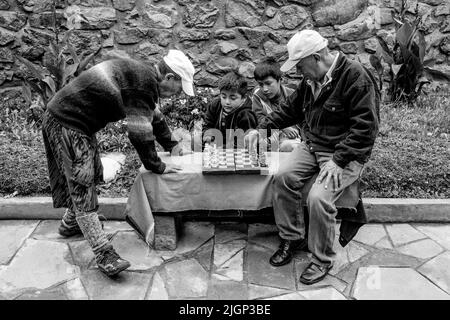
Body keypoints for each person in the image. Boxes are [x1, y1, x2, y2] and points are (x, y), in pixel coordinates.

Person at [42, 49, 195, 277]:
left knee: (91, 172)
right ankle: (104, 254)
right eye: (179, 87)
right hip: (66, 121)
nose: (178, 94)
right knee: (82, 184)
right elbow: (139, 133)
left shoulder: (143, 77)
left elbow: (153, 115)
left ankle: (71, 223)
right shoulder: (143, 83)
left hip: (77, 123)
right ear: (170, 77)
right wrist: (157, 166)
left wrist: (171, 144)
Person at [245, 30, 380, 284]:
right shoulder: (310, 81)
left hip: (345, 153)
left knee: (319, 198)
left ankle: (322, 259)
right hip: (313, 145)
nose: (297, 72)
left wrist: (339, 160)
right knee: (283, 177)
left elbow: (366, 129)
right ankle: (293, 237)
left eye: (299, 65)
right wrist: (261, 129)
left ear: (316, 57)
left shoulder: (356, 77)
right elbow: (289, 110)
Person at [252, 57, 301, 152]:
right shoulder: (258, 96)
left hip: (289, 138)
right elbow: (259, 119)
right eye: (261, 84)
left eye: (268, 83)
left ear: (280, 80)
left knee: (291, 146)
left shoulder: (292, 95)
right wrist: (282, 127)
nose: (265, 89)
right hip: (268, 135)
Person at [202, 71, 257, 149]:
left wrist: (220, 148)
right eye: (223, 97)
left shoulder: (247, 114)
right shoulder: (215, 105)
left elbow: (242, 143)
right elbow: (207, 125)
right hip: (216, 146)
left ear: (243, 98)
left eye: (233, 98)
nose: (227, 102)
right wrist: (209, 135)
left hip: (235, 151)